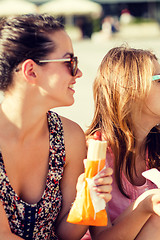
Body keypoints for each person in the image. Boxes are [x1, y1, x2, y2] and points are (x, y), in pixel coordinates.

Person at [0, 14, 113, 239]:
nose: (79, 73)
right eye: (70, 62)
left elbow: (67, 233)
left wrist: (86, 198)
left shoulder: (69, 137)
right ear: (31, 71)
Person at [83, 46, 160, 240]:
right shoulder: (94, 150)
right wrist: (145, 205)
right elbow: (102, 237)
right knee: (158, 212)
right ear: (130, 89)